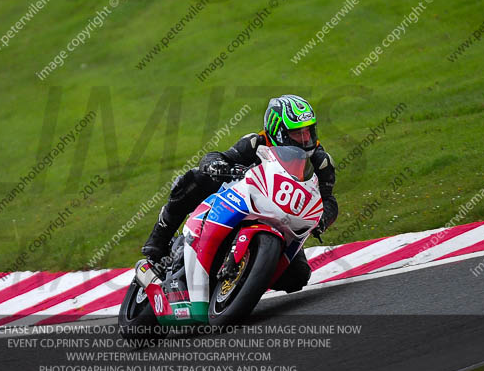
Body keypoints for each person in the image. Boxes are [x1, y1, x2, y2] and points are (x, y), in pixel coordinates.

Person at [141, 94, 339, 292]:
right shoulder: (256, 142)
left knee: (298, 277)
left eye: (308, 131)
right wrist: (217, 165)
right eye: (297, 133)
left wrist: (323, 218)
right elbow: (219, 157)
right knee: (194, 179)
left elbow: (328, 200)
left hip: (284, 221)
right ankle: (158, 240)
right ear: (278, 132)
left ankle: (244, 280)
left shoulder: (321, 162)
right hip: (240, 202)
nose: (305, 139)